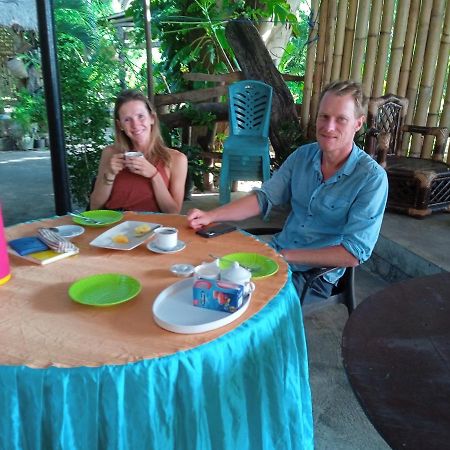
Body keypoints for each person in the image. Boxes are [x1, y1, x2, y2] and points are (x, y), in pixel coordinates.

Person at [187, 80, 388, 304]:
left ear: (358, 124)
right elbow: (264, 199)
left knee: (246, 304)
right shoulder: (302, 156)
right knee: (208, 280)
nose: (329, 127)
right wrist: (211, 216)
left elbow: (353, 253)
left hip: (316, 276)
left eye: (341, 119)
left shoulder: (371, 178)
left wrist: (286, 256)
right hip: (277, 255)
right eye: (324, 116)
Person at [90, 89, 187, 213]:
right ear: (120, 125)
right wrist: (109, 174)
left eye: (140, 116)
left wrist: (154, 175)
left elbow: (173, 213)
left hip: (152, 227)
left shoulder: (176, 159)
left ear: (152, 118)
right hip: (114, 226)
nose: (135, 125)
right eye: (127, 119)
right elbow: (94, 207)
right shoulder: (110, 153)